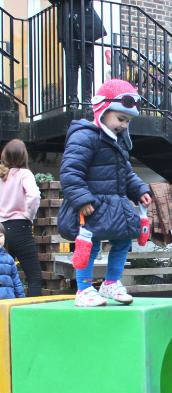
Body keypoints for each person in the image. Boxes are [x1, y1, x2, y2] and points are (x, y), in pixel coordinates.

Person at [58, 79, 151, 307]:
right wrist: (81, 200)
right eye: (121, 119)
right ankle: (84, 289)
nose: (124, 125)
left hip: (114, 205)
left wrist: (139, 189)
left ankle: (110, 282)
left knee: (123, 240)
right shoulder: (85, 137)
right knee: (90, 245)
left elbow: (125, 173)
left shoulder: (117, 142)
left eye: (127, 121)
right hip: (91, 206)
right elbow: (70, 172)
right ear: (102, 110)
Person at [0, 139, 42, 297]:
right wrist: (28, 215)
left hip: (1, 230)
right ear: (23, 156)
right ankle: (33, 317)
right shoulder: (24, 174)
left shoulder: (1, 175)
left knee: (4, 276)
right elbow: (34, 196)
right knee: (34, 276)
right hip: (20, 227)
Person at [51, 0, 106, 107]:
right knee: (71, 64)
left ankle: (86, 99)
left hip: (84, 23)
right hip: (67, 23)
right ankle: (73, 99)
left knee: (86, 64)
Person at [0, 223, 25, 299]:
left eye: (0, 236)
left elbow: (16, 282)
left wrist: (21, 299)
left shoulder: (9, 259)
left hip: (8, 301)